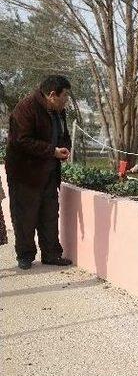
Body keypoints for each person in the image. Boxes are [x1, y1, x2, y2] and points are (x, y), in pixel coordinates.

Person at [4, 75, 73, 269]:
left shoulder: (59, 111)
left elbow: (63, 135)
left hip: (50, 171)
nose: (66, 99)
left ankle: (51, 254)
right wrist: (52, 151)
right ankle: (25, 255)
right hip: (25, 174)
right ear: (52, 94)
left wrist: (64, 148)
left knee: (50, 214)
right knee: (25, 216)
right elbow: (21, 140)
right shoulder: (26, 108)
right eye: (65, 95)